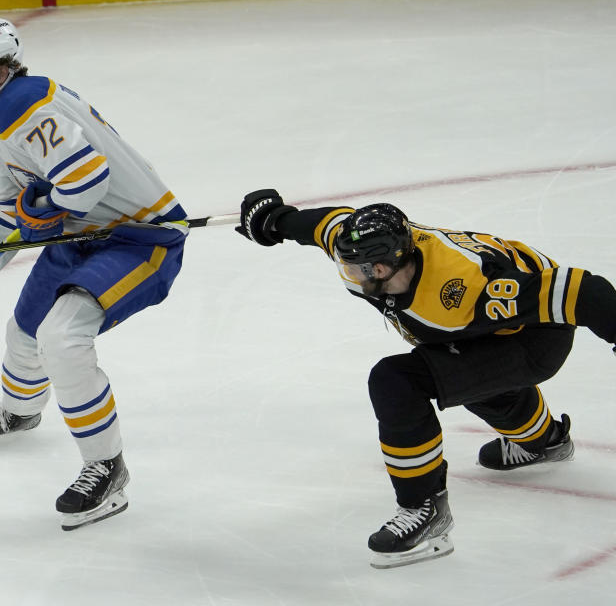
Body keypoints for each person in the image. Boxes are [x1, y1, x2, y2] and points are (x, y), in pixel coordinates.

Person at [235, 189, 616, 569]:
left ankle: (425, 510)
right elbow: (327, 223)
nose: (350, 277)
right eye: (347, 266)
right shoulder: (362, 247)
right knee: (463, 379)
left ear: (388, 265)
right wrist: (273, 220)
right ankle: (543, 441)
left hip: (535, 336)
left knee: (397, 381)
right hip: (483, 329)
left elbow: (585, 292)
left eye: (359, 271)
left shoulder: (465, 288)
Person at [0, 18, 188, 530]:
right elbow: (6, 215)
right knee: (24, 333)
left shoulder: (24, 102)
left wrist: (42, 204)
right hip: (83, 234)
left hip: (140, 238)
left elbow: (85, 180)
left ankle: (106, 468)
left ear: (0, 71)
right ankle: (19, 412)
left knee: (62, 337)